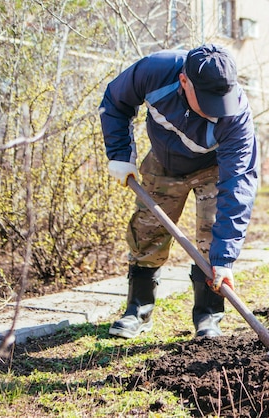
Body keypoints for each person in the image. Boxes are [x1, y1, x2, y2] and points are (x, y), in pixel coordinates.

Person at [99, 44, 258, 339]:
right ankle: (139, 309)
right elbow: (115, 101)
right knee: (146, 231)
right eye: (208, 101)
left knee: (213, 239)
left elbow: (238, 185)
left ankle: (209, 315)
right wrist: (120, 154)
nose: (215, 111)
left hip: (214, 167)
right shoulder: (154, 71)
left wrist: (224, 259)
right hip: (163, 161)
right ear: (184, 81)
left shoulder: (236, 117)